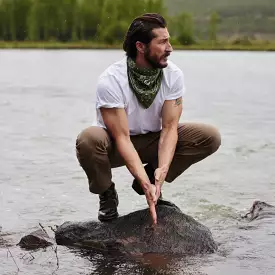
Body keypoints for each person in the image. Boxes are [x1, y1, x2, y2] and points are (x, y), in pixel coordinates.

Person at [75, 13, 221, 225]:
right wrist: (145, 183)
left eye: (168, 40)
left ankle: (151, 181)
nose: (170, 48)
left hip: (154, 139)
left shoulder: (173, 75)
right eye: (162, 42)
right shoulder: (111, 80)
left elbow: (170, 129)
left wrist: (157, 178)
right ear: (140, 47)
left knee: (209, 136)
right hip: (115, 145)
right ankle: (106, 193)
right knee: (88, 139)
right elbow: (122, 138)